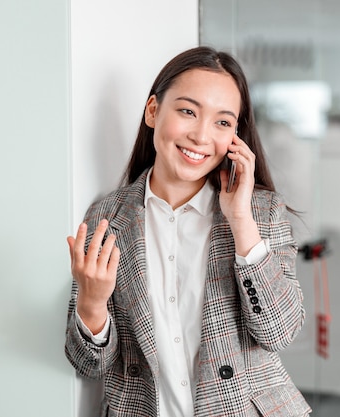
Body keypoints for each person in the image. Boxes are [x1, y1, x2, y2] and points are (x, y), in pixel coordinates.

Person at [65, 46, 311, 417]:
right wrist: (92, 303)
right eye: (187, 111)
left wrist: (241, 221)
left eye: (223, 122)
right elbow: (88, 365)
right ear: (153, 111)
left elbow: (281, 332)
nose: (201, 136)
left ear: (235, 137)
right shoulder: (107, 216)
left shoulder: (261, 212)